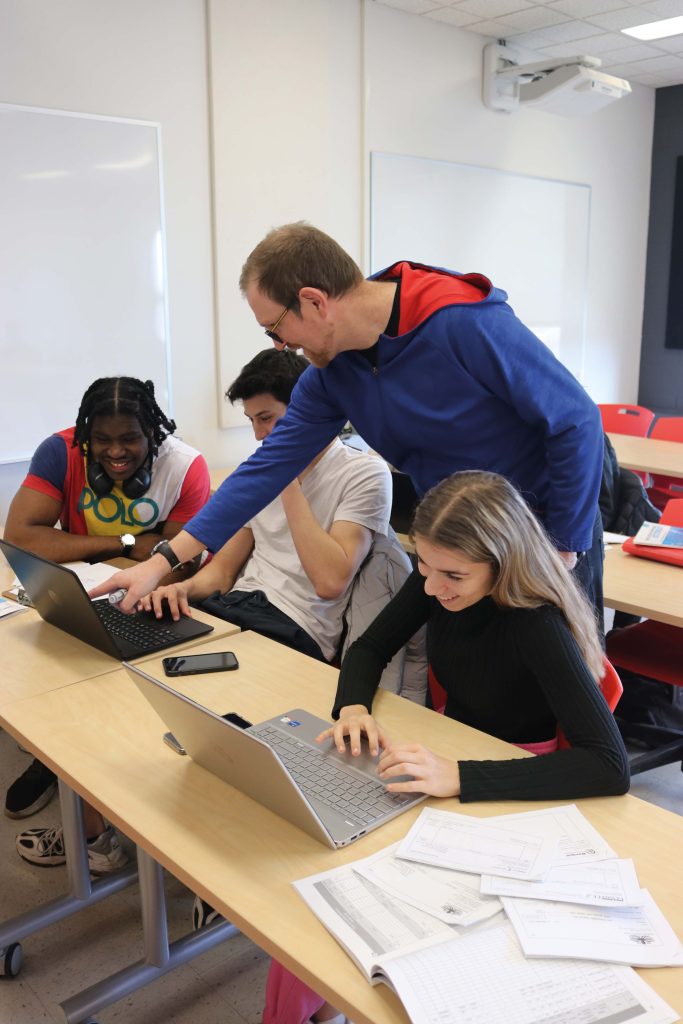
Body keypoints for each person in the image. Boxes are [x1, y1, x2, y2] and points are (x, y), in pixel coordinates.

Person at [91, 223, 604, 631]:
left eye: (276, 328)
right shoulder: (332, 374)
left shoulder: (458, 320)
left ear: (315, 301)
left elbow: (575, 419)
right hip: (457, 545)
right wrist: (159, 564)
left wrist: (561, 547)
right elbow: (266, 469)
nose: (280, 346)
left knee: (553, 697)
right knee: (475, 693)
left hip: (541, 535)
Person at [264, 470, 629, 1024]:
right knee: (314, 895)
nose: (432, 588)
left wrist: (459, 775)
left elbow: (608, 766)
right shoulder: (439, 575)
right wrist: (353, 708)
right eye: (424, 566)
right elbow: (368, 648)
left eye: (452, 575)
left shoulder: (537, 624)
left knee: (358, 898)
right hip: (446, 760)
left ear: (502, 562)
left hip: (512, 788)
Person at [5, 376, 210, 873]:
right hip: (80, 590)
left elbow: (178, 564)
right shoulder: (60, 452)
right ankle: (59, 766)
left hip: (150, 602)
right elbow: (21, 536)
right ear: (86, 438)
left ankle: (104, 800)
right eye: (102, 441)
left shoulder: (185, 467)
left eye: (130, 439)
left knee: (118, 706)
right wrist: (125, 542)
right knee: (47, 678)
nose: (115, 453)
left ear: (152, 435)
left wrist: (142, 564)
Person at [141, 347, 392, 668]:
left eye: (266, 419)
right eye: (252, 421)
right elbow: (223, 571)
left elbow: (330, 584)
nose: (259, 435)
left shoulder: (364, 473)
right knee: (147, 660)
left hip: (295, 627)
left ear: (306, 408)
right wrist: (182, 589)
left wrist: (284, 474)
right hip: (235, 607)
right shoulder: (258, 472)